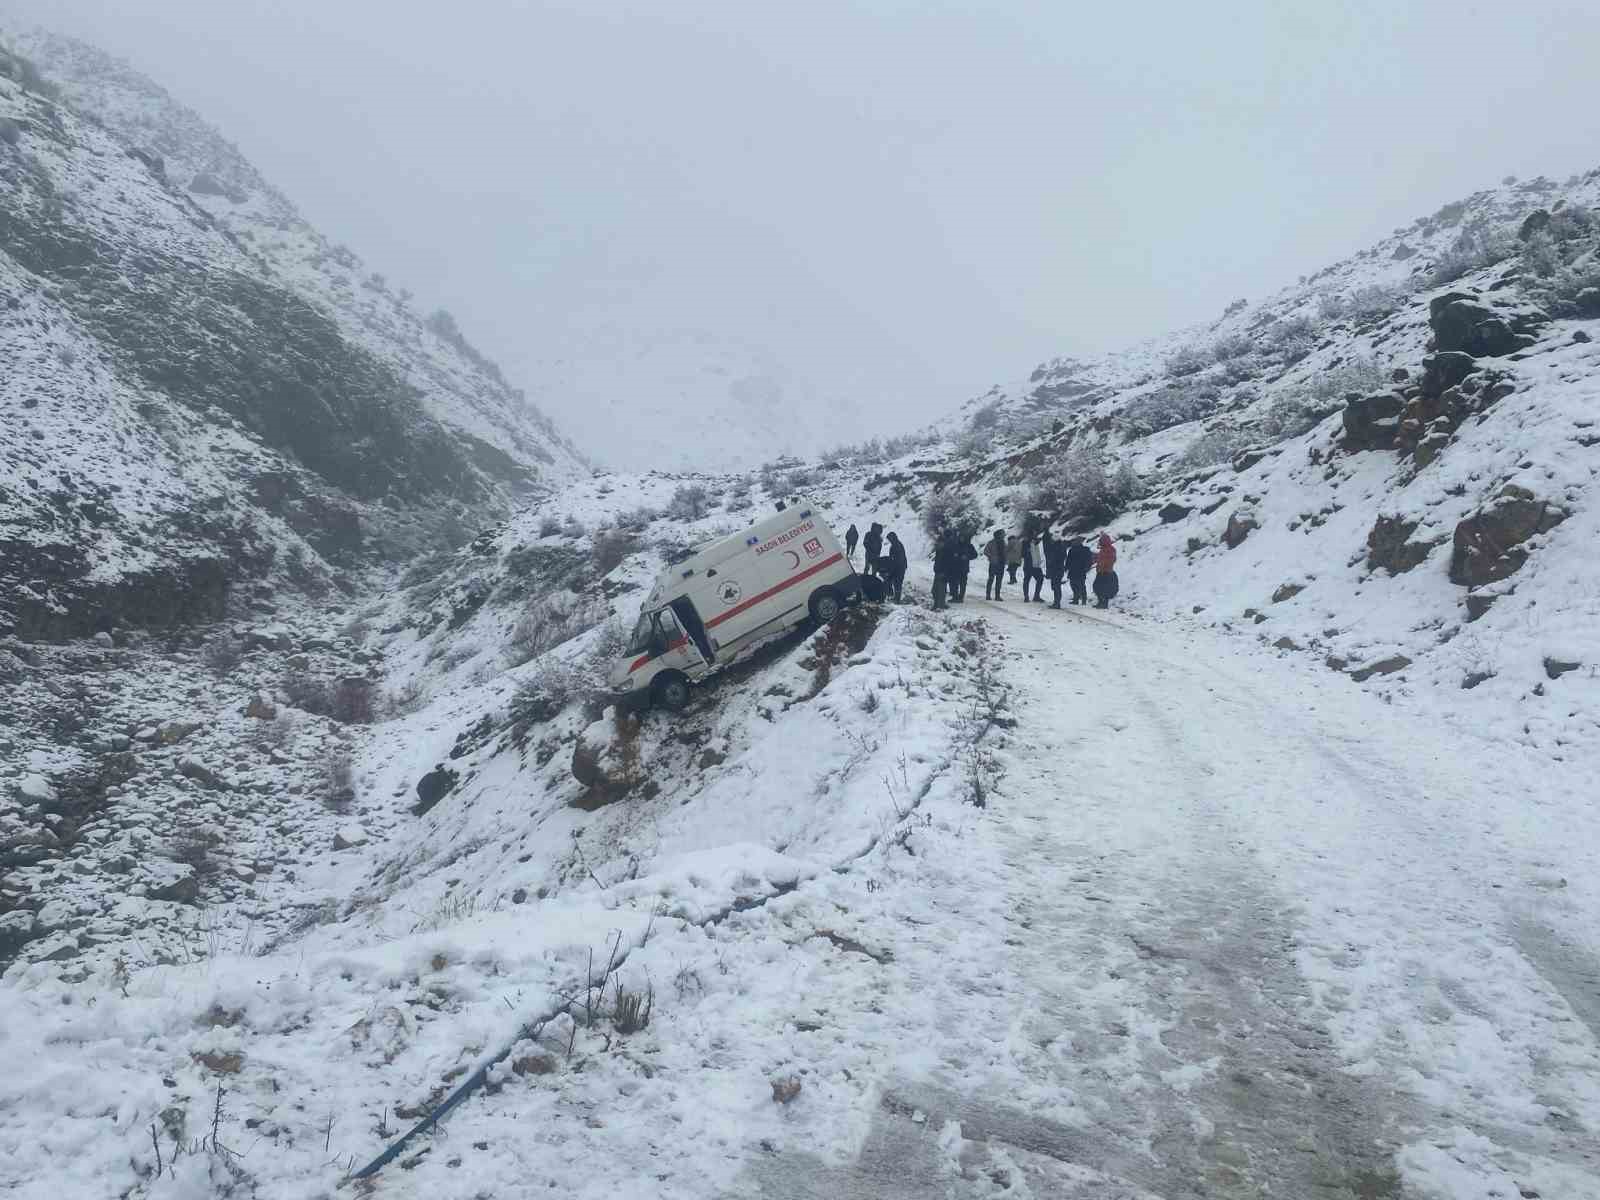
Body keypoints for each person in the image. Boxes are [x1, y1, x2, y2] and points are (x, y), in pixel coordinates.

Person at [1093, 533, 1119, 609]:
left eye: (1101, 541)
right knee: (1097, 587)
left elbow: (1111, 560)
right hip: (1100, 571)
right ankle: (1100, 602)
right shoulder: (1103, 549)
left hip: (1106, 571)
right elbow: (1100, 559)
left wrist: (1103, 564)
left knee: (1104, 588)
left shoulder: (1111, 549)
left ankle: (1104, 603)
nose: (1100, 542)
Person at [1065, 536, 1093, 605]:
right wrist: (1066, 567)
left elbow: (1089, 560)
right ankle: (1076, 599)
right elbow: (1068, 560)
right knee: (1073, 585)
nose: (1075, 542)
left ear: (1080, 542)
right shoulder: (1072, 550)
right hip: (1073, 570)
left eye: (1077, 541)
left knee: (1081, 585)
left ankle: (1083, 600)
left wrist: (1087, 567)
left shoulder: (1085, 550)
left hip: (1081, 570)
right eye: (1075, 541)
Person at [1043, 530, 1067, 608]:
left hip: (1055, 569)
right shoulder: (1062, 546)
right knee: (1057, 586)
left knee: (1056, 586)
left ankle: (1057, 603)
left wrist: (1049, 568)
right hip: (1059, 569)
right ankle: (1056, 602)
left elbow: (1052, 558)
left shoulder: (1056, 547)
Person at [952, 531, 977, 603]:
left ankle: (961, 597)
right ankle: (955, 597)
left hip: (964, 567)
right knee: (955, 583)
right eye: (960, 537)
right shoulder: (955, 545)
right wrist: (954, 556)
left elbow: (975, 555)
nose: (961, 539)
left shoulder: (969, 546)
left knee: (963, 583)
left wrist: (967, 557)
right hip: (955, 567)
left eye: (963, 537)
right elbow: (951, 553)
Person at [983, 528, 1007, 600]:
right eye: (1002, 534)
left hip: (1001, 563)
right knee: (991, 579)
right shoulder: (991, 542)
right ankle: (988, 595)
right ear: (998, 535)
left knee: (999, 580)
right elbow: (986, 551)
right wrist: (991, 556)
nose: (1004, 535)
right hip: (994, 563)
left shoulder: (1003, 543)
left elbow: (1005, 552)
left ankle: (997, 596)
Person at [1021, 530, 1045, 602]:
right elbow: (1022, 554)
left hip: (1036, 565)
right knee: (1027, 580)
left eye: (1035, 534)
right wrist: (1027, 551)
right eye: (1033, 534)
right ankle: (1026, 596)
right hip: (1028, 565)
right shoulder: (1025, 543)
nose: (1035, 535)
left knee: (1040, 579)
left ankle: (1036, 596)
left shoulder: (1036, 542)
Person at [884, 531, 907, 602]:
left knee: (897, 583)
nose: (889, 541)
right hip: (899, 567)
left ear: (892, 538)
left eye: (889, 539)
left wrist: (891, 569)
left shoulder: (896, 546)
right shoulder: (896, 544)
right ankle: (895, 598)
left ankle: (897, 599)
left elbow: (897, 559)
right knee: (895, 582)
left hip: (899, 567)